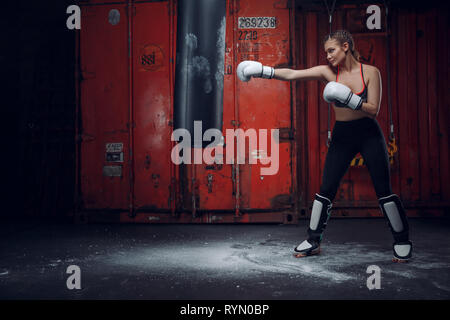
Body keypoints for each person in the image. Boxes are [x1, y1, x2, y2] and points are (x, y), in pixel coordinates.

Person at [236, 30, 412, 263]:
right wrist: (262, 71)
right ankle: (313, 240)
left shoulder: (370, 72)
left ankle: (402, 241)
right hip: (343, 134)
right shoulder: (327, 72)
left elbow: (373, 109)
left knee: (383, 190)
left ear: (346, 46)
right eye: (326, 52)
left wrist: (349, 98)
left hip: (368, 133)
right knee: (326, 188)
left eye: (332, 50)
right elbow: (292, 74)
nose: (328, 56)